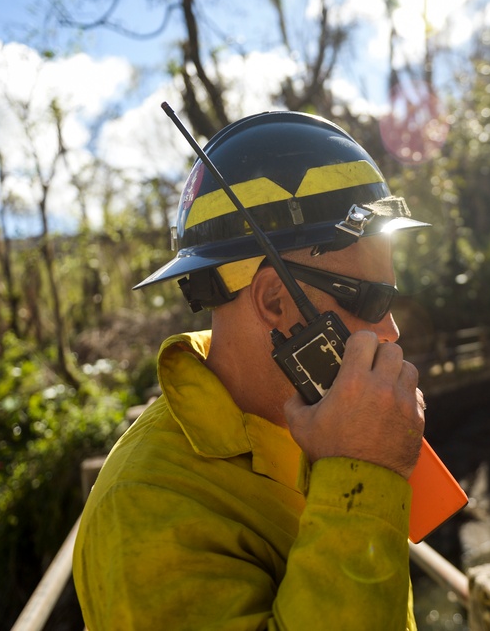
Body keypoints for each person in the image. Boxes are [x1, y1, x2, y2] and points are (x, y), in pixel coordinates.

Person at [72, 110, 431, 630]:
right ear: (276, 300)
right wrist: (364, 472)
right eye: (373, 299)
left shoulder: (321, 414)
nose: (392, 330)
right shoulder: (147, 509)